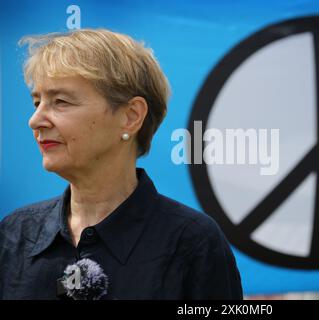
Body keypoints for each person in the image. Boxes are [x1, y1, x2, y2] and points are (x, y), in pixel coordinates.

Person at [0, 29, 243, 300]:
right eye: (37, 102)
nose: (35, 120)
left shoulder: (193, 243)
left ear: (130, 116)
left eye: (60, 102)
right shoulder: (14, 234)